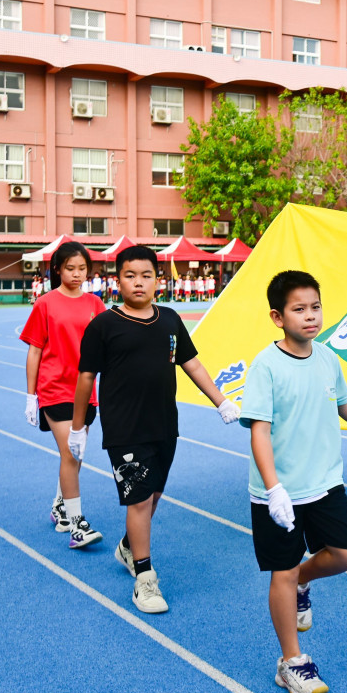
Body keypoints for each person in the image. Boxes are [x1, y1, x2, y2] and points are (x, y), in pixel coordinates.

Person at [240, 270, 347, 693]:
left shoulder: (327, 357)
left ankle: (302, 580)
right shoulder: (266, 366)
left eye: (315, 307)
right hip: (280, 493)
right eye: (299, 309)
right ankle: (292, 661)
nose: (310, 316)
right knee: (280, 574)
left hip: (324, 483)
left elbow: (343, 401)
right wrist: (273, 489)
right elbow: (259, 432)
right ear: (277, 316)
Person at [71, 245, 240, 614]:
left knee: (154, 496)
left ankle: (129, 547)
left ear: (157, 280)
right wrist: (78, 427)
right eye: (130, 276)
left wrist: (221, 401)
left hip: (165, 425)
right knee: (140, 499)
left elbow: (192, 364)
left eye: (146, 275)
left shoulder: (169, 319)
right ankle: (144, 579)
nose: (138, 282)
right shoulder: (104, 326)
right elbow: (86, 378)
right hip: (125, 430)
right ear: (118, 280)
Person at [21, 242, 107, 550]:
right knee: (70, 454)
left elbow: (106, 348)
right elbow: (34, 350)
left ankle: (60, 505)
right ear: (57, 269)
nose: (77, 274)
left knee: (76, 454)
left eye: (82, 268)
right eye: (70, 268)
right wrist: (31, 396)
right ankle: (76, 525)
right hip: (54, 388)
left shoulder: (95, 305)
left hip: (86, 392)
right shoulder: (45, 304)